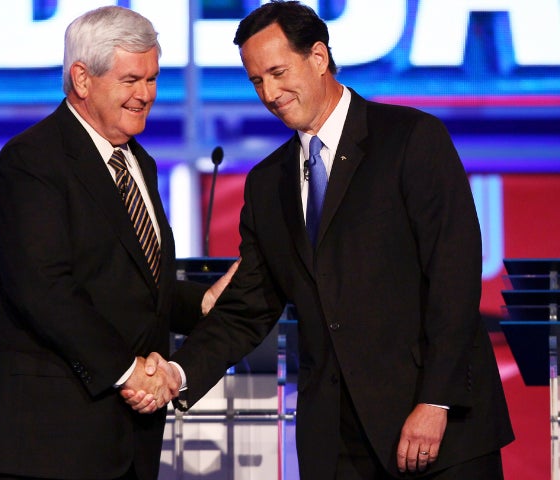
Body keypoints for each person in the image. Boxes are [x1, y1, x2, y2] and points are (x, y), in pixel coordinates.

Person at [125, 1, 514, 479]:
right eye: (256, 81)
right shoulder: (268, 182)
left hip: (436, 428)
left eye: (277, 71)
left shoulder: (411, 139)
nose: (269, 92)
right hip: (336, 441)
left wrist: (435, 400)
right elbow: (249, 306)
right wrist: (178, 374)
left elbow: (453, 279)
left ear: (318, 56)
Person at [0, 6, 236, 480]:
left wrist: (202, 301)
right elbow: (43, 291)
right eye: (131, 80)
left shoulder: (138, 163)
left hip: (125, 443)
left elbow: (131, 286)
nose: (145, 95)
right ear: (82, 79)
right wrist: (133, 373)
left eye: (152, 79)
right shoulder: (32, 161)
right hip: (42, 443)